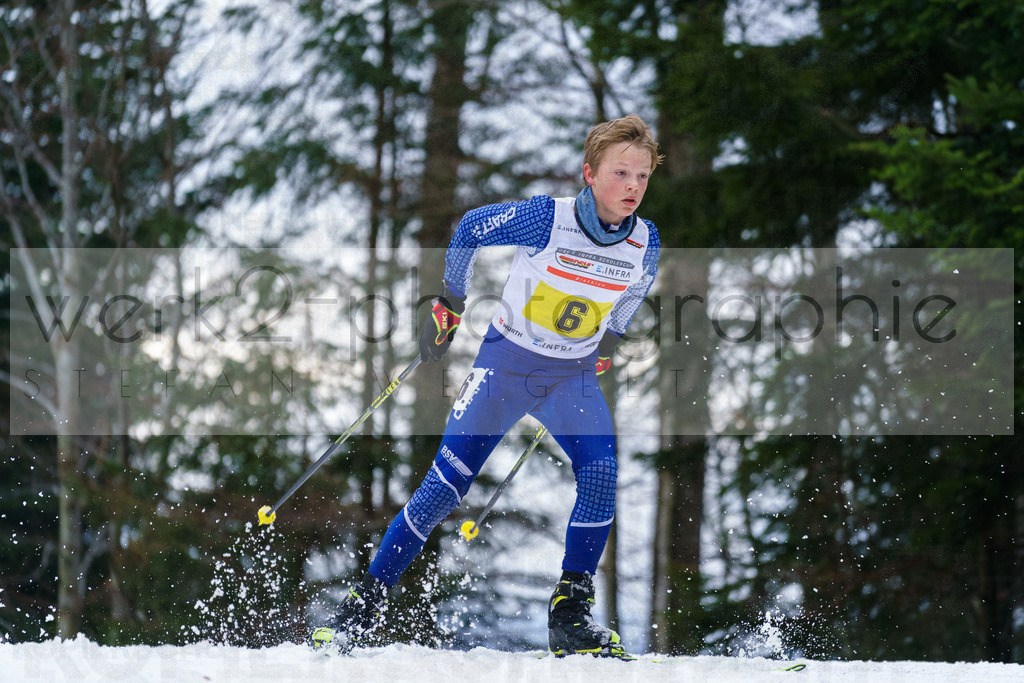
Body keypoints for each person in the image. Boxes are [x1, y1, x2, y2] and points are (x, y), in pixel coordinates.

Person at [311, 114, 662, 659]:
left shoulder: (645, 241)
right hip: (506, 369)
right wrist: (449, 303)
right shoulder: (548, 219)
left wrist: (609, 343)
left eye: (643, 176)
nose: (634, 187)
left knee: (601, 475)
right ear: (589, 174)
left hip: (569, 378)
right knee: (444, 489)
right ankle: (364, 604)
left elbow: (635, 290)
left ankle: (570, 614)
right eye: (621, 173)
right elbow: (472, 228)